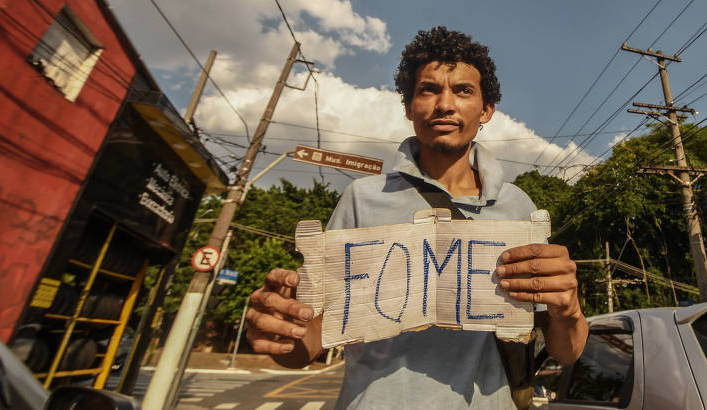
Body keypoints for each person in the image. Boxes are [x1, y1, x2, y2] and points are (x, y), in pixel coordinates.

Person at [244, 26, 587, 409]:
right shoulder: (362, 199)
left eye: (462, 90)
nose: (444, 104)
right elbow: (309, 339)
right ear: (409, 107)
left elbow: (566, 351)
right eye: (428, 89)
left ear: (486, 109)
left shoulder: (519, 207)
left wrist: (568, 307)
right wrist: (282, 328)